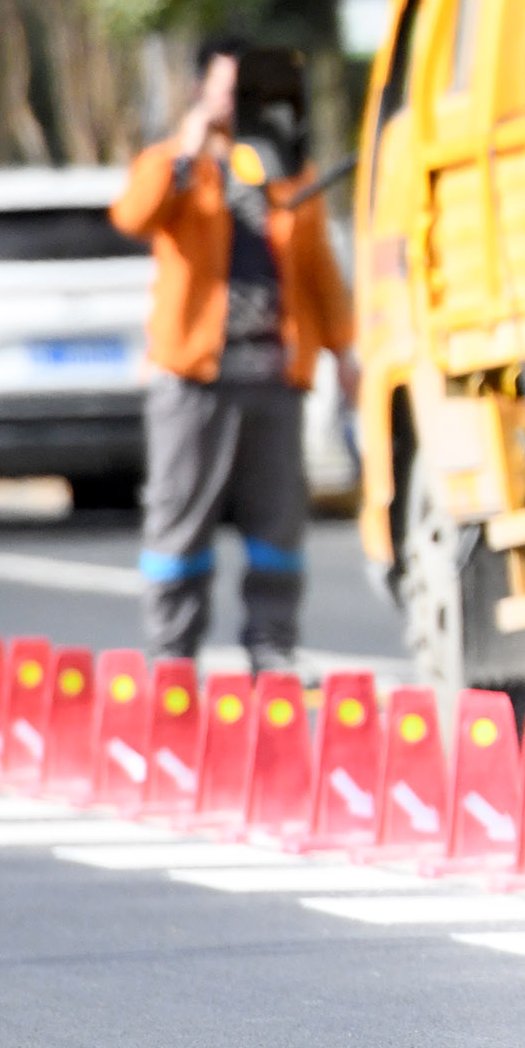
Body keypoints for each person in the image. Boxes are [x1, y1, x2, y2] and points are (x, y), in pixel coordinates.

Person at [110, 48, 352, 666]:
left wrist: (344, 350)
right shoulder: (172, 164)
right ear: (201, 91)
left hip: (274, 375)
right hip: (194, 376)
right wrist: (187, 155)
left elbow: (319, 268)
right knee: (180, 522)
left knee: (277, 526)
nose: (234, 100)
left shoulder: (288, 169)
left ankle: (272, 651)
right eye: (225, 87)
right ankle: (173, 653)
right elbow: (134, 216)